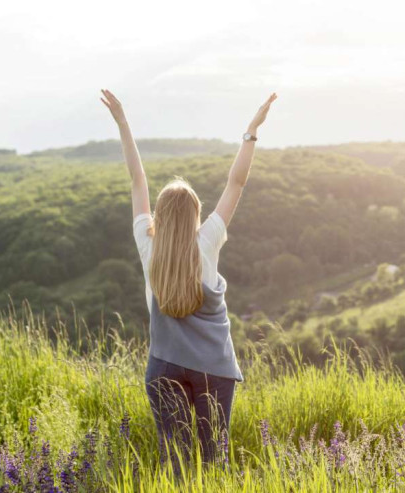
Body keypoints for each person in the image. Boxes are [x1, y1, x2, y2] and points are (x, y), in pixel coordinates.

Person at [100, 88, 277, 478]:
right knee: (215, 464)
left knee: (176, 464)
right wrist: (251, 131)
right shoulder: (207, 241)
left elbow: (137, 179)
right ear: (196, 214)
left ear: (159, 216)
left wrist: (123, 123)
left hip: (163, 366)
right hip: (214, 367)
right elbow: (236, 183)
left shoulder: (148, 245)